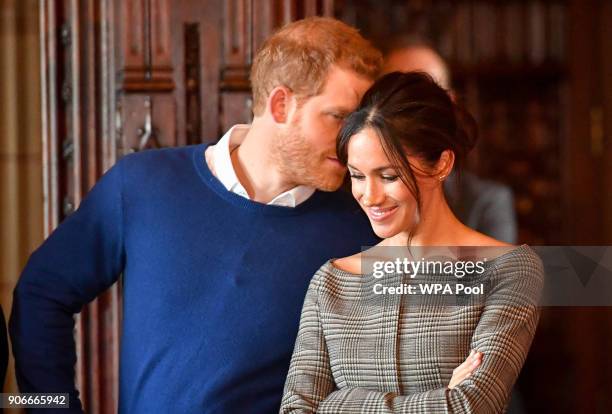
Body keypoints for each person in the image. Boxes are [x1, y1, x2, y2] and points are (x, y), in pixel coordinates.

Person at [9, 17, 383, 413]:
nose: (352, 141)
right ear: (281, 105)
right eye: (340, 118)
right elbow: (40, 293)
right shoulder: (140, 186)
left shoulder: (362, 226)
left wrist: (427, 176)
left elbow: (449, 289)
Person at [281, 72, 543, 413]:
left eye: (388, 176)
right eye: (358, 176)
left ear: (442, 165)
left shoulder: (509, 271)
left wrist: (338, 403)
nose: (369, 196)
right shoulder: (331, 282)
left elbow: (470, 406)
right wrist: (440, 400)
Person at [384, 39, 518, 244]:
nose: (409, 109)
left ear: (450, 103)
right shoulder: (355, 197)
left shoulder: (486, 201)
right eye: (397, 95)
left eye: (424, 95)